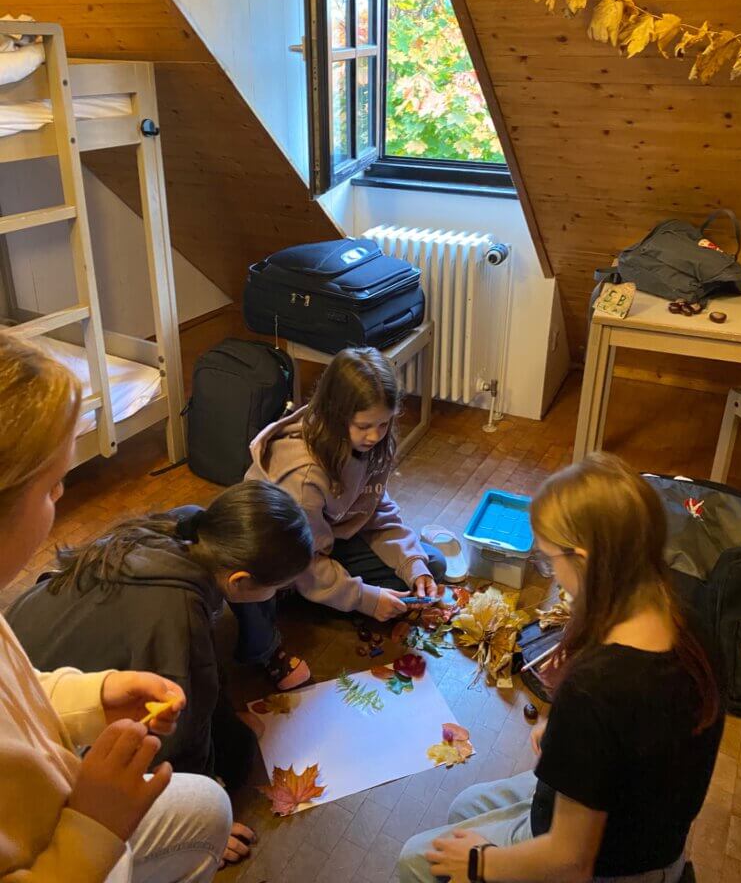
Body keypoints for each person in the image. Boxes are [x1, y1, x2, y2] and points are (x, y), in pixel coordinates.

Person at [399, 452, 723, 883]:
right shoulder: (688, 622)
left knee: (415, 860)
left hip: (609, 866)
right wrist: (568, 735)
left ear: (584, 559)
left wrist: (480, 863)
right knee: (465, 808)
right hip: (645, 833)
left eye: (551, 560)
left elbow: (571, 862)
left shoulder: (595, 690)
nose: (552, 572)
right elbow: (637, 736)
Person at [0, 331, 233, 882]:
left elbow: (18, 698)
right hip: (63, 853)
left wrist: (95, 696)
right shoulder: (179, 610)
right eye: (52, 486)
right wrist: (94, 825)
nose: (61, 497)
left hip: (60, 798)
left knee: (207, 807)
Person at [6, 478, 314, 793]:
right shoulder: (178, 616)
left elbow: (203, 677)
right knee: (234, 765)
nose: (277, 594)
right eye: (278, 588)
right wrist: (207, 791)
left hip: (19, 640)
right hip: (30, 706)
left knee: (228, 727)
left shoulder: (191, 523)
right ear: (240, 581)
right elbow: (179, 733)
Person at [241, 347, 446, 640]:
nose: (375, 436)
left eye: (384, 423)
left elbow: (374, 508)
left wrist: (413, 564)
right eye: (364, 426)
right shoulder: (304, 478)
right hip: (290, 556)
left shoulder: (366, 443)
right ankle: (299, 595)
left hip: (327, 537)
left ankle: (326, 593)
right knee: (379, 592)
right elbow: (304, 560)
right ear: (335, 414)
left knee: (430, 565)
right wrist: (365, 599)